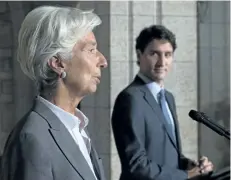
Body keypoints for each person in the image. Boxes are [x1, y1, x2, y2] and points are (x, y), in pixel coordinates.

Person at [0, 5, 107, 180]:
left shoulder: (77, 128)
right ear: (57, 63)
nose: (103, 61)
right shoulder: (32, 138)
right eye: (91, 50)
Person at [111, 25, 213, 180]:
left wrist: (190, 165)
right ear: (139, 55)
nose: (162, 62)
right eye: (154, 54)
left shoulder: (168, 98)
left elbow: (167, 156)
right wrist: (187, 175)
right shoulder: (131, 99)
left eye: (168, 54)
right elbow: (137, 166)